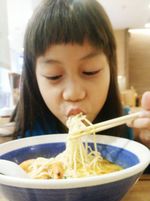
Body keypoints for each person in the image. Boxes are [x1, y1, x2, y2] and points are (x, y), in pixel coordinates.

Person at [11, 0, 150, 149]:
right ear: (34, 78)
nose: (73, 94)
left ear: (110, 68)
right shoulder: (23, 140)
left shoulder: (127, 125)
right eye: (54, 76)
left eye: (90, 71)